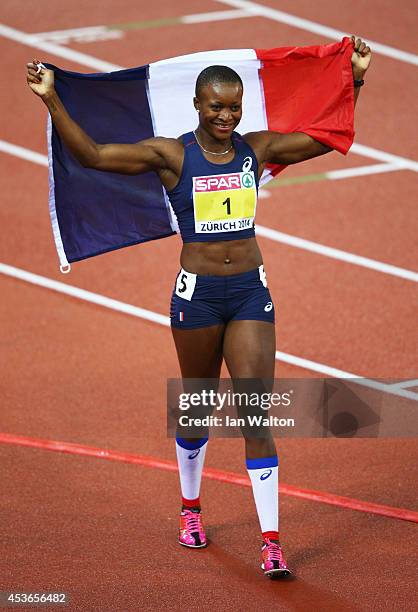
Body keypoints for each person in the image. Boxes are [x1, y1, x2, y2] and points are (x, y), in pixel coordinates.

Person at [26, 35, 371, 579]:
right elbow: (92, 155)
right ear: (197, 105)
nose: (226, 116)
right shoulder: (172, 154)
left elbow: (323, 139)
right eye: (216, 106)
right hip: (198, 298)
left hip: (251, 293)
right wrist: (52, 98)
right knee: (198, 403)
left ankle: (272, 543)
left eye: (234, 107)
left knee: (257, 414)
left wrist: (354, 79)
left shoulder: (256, 149)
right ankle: (190, 509)